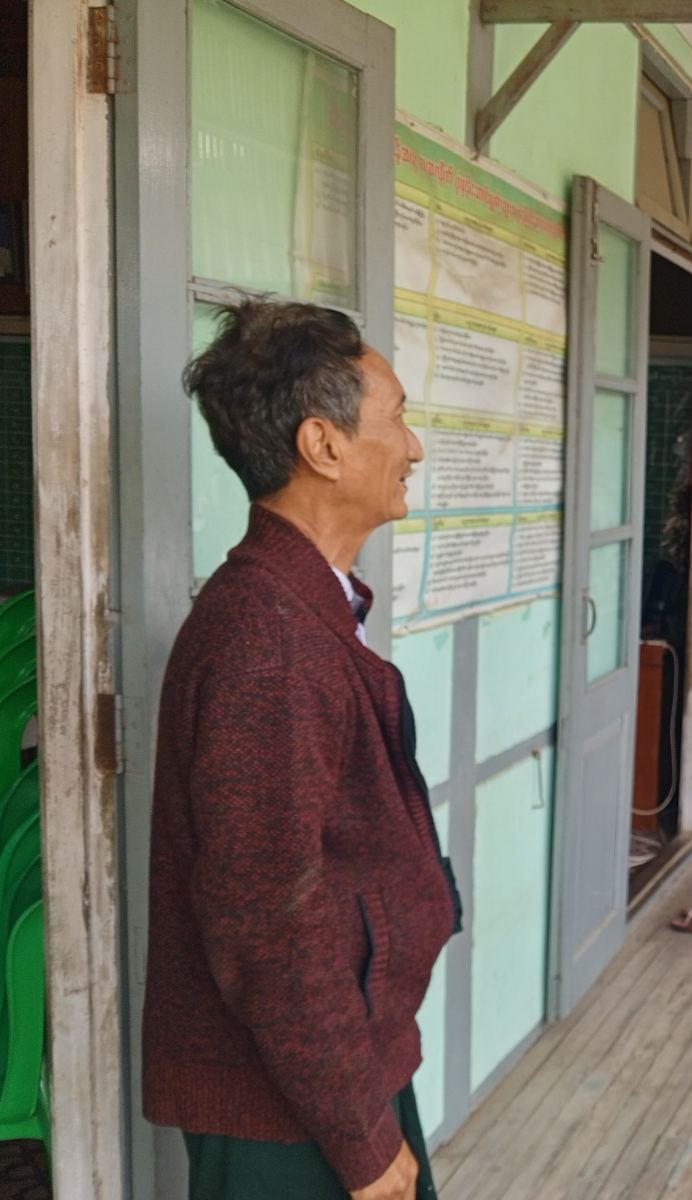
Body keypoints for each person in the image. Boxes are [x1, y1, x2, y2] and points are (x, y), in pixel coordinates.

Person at [143, 300, 461, 1200]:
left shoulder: (302, 610)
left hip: (328, 1074)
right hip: (290, 1110)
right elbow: (268, 923)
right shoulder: (267, 639)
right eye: (397, 417)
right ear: (323, 445)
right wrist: (362, 1139)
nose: (413, 447)